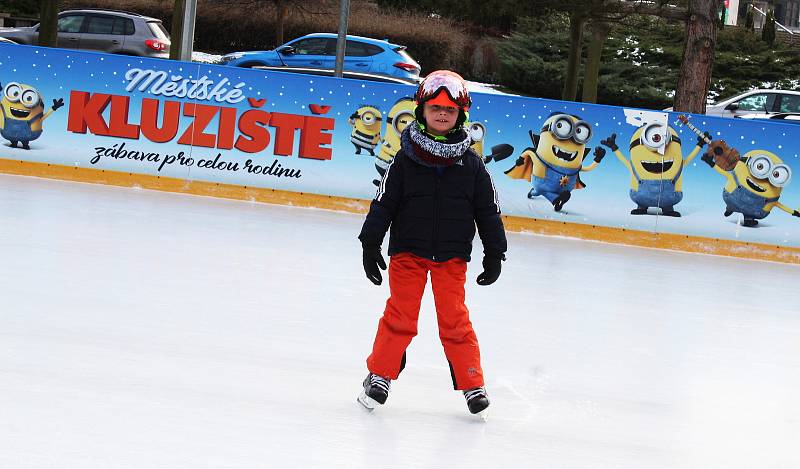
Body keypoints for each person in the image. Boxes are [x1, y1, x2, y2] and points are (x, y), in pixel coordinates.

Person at [357, 70, 508, 417]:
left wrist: (494, 251)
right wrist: (370, 243)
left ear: (461, 116)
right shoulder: (405, 159)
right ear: (422, 110)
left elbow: (488, 210)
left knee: (455, 321)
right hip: (408, 252)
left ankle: (472, 383)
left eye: (450, 110)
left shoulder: (472, 164)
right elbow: (384, 203)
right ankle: (380, 375)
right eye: (436, 107)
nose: (443, 114)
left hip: (451, 258)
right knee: (401, 316)